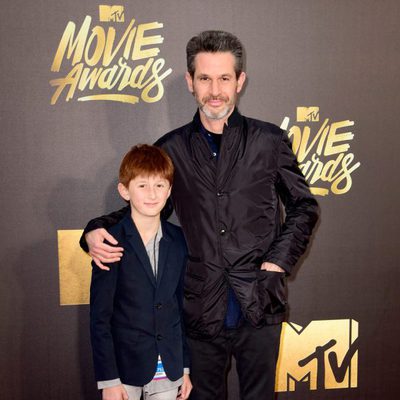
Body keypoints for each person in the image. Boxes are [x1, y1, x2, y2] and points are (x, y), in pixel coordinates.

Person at [82, 31, 319, 400]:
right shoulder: (171, 149)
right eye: (205, 78)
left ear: (240, 81)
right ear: (191, 82)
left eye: (225, 78)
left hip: (259, 303)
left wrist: (277, 262)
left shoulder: (269, 141)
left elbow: (305, 206)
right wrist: (95, 230)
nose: (215, 90)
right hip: (198, 310)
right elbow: (146, 207)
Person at [89, 144, 192, 400]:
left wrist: (185, 368)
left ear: (169, 190)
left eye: (159, 185)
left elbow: (179, 308)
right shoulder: (109, 243)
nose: (152, 194)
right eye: (142, 185)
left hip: (169, 369)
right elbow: (100, 319)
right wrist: (108, 380)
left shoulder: (179, 240)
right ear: (125, 190)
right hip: (124, 372)